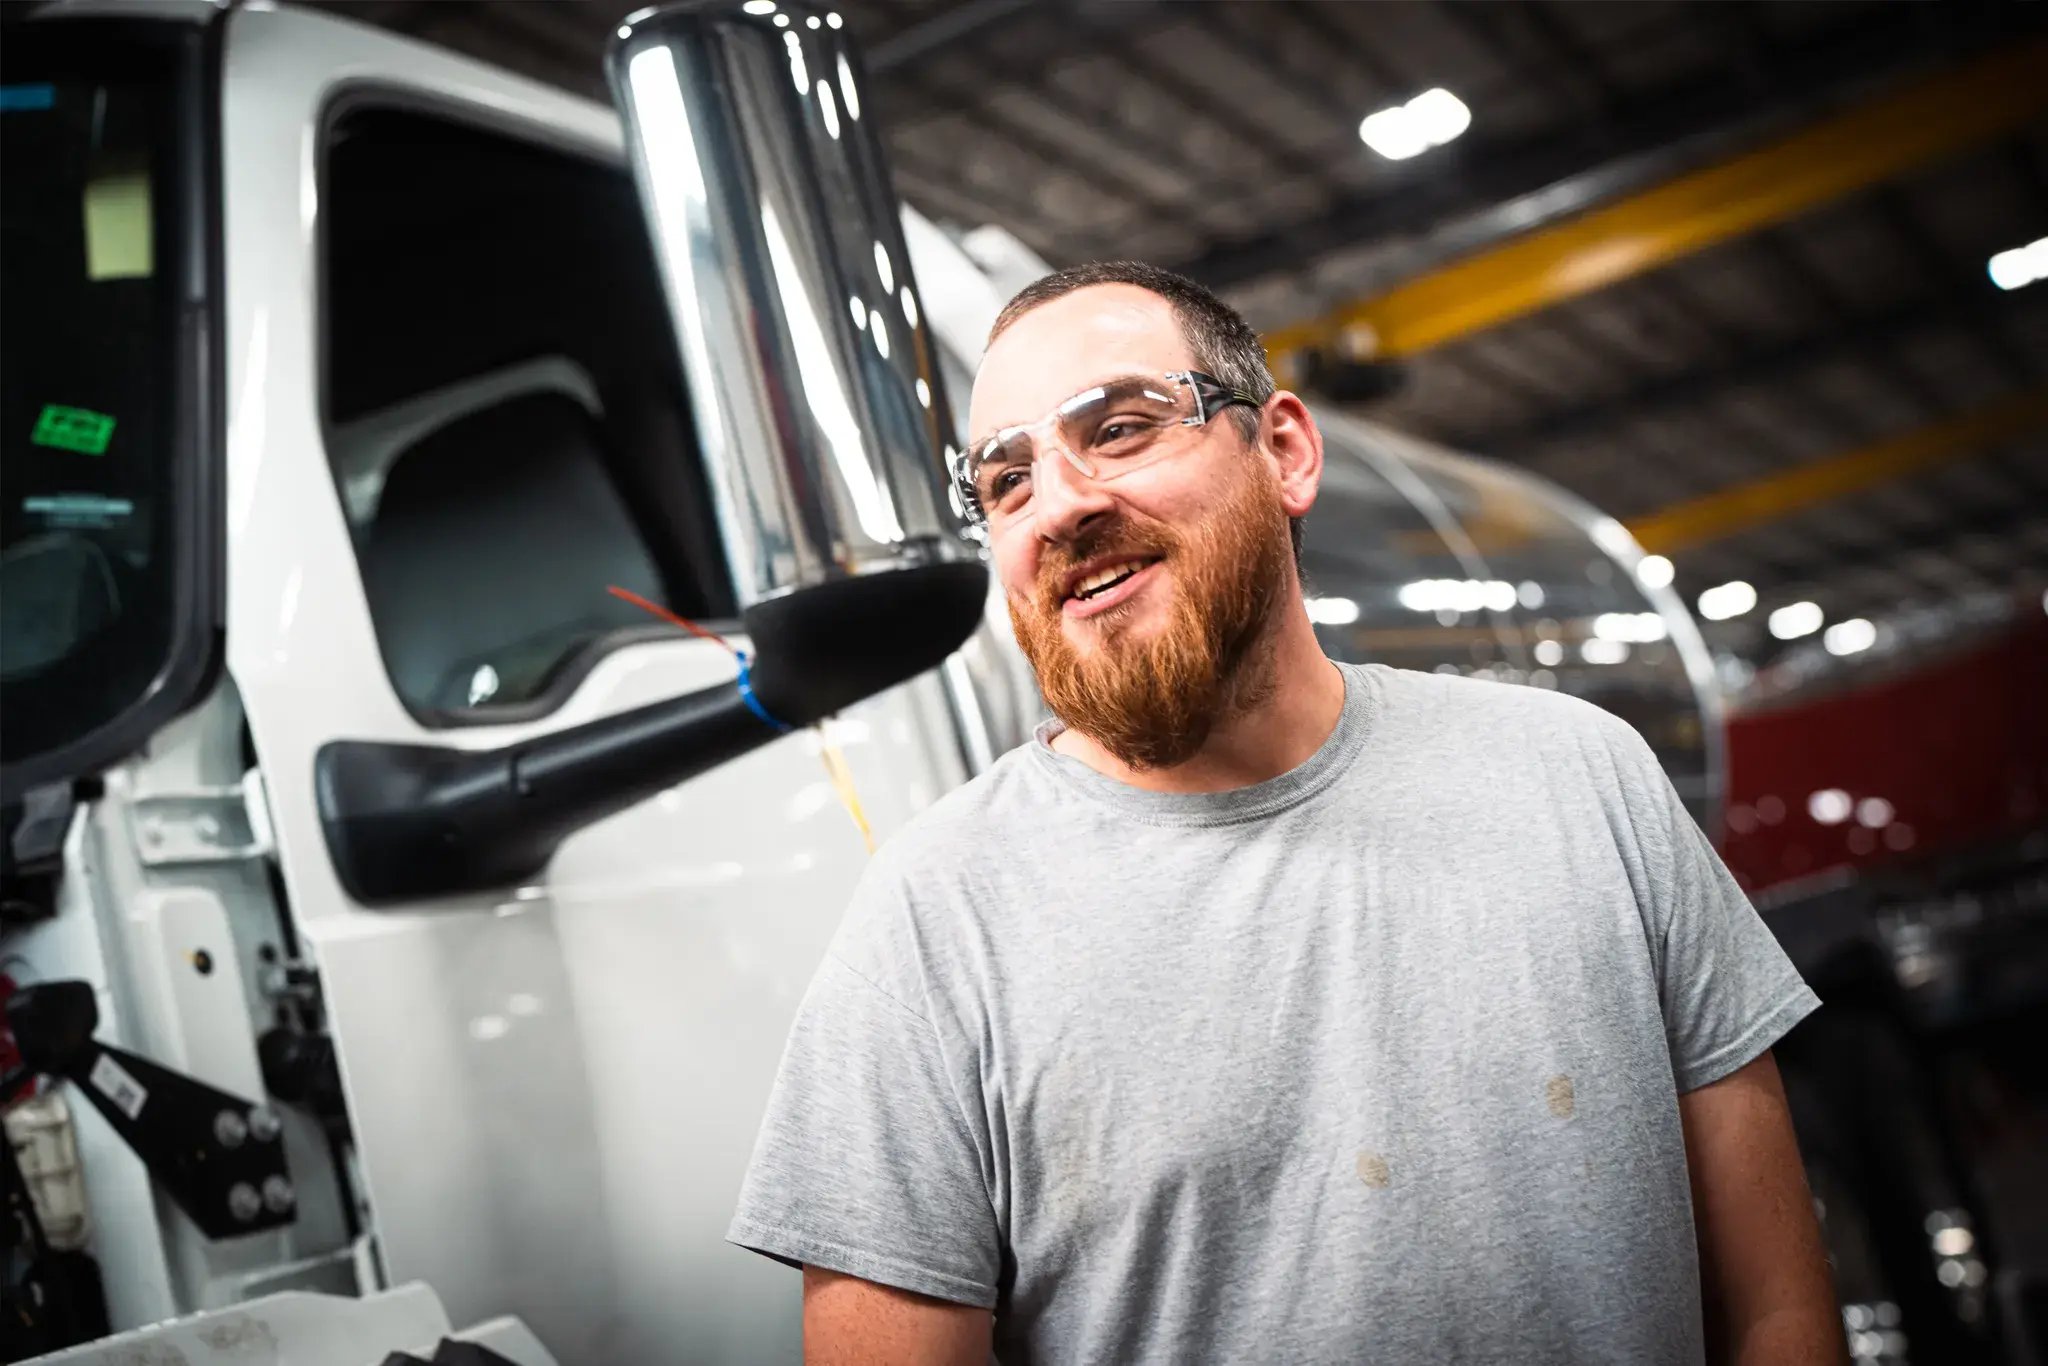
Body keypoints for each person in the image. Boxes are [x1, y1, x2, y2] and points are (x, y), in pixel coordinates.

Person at [727, 261, 1840, 1364]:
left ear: (1285, 452)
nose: (1059, 504)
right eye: (1007, 480)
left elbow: (1776, 1313)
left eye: (1119, 428)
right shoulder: (934, 920)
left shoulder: (1579, 776)